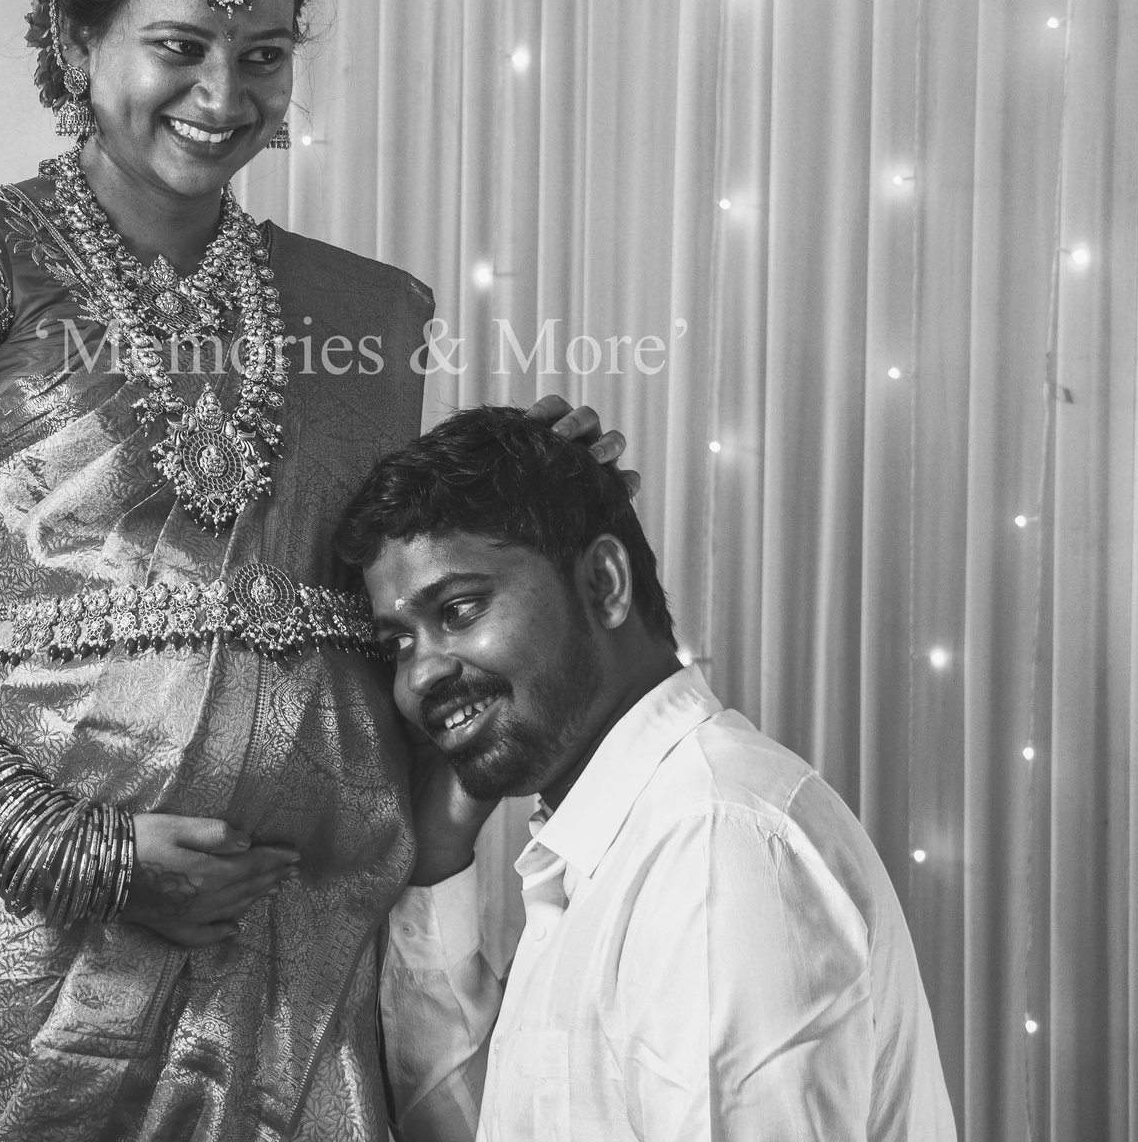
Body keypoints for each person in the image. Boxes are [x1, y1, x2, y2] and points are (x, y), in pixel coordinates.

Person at [0, 0, 620, 1138]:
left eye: (264, 54)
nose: (224, 97)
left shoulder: (363, 312)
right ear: (76, 35)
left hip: (304, 927)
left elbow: (378, 621)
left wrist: (532, 503)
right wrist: (73, 853)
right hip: (40, 940)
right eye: (179, 46)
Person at [335, 407, 958, 1142]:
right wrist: (437, 856)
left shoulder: (712, 848)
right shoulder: (617, 839)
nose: (420, 677)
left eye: (460, 609)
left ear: (602, 583)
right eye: (398, 642)